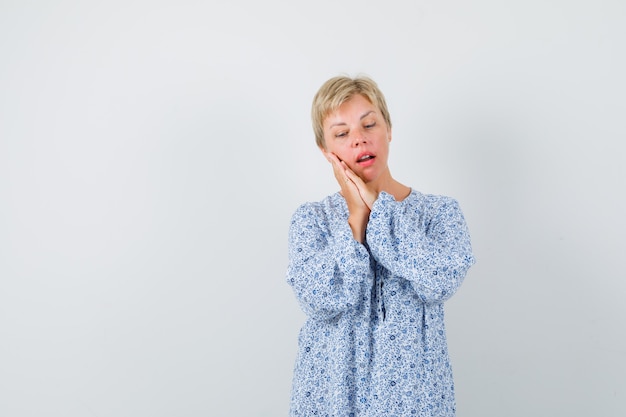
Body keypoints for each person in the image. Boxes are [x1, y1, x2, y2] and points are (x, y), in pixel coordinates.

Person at [286, 74, 475, 417]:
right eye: (342, 133)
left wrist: (380, 207)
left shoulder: (439, 214)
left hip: (414, 401)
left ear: (388, 129)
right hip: (332, 399)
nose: (358, 140)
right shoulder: (310, 220)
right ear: (326, 151)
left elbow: (439, 280)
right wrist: (356, 217)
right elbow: (319, 299)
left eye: (368, 125)